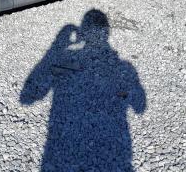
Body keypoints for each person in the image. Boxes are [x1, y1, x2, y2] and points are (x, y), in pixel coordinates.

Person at [20, 9, 146, 171]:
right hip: (116, 153)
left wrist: (56, 48)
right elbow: (140, 107)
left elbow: (27, 98)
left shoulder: (74, 57)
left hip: (59, 149)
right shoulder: (125, 68)